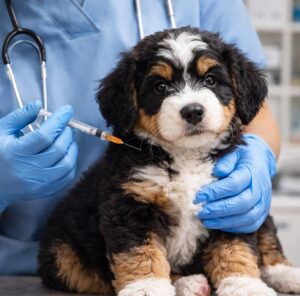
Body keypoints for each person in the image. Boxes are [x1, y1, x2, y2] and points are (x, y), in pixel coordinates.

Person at [0, 0, 280, 275]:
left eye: (206, 81)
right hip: (43, 265)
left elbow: (252, 106)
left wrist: (258, 155)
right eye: (160, 85)